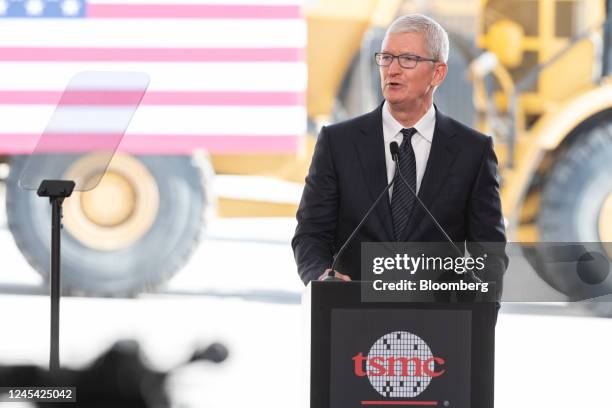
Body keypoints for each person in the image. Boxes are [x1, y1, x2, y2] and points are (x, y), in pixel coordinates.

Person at [292, 14, 507, 297]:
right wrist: (321, 278)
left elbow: (489, 253)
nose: (392, 69)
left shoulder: (473, 152)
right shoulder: (338, 143)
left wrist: (478, 314)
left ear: (438, 73)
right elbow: (311, 234)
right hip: (352, 320)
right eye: (386, 58)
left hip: (441, 326)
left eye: (407, 59)